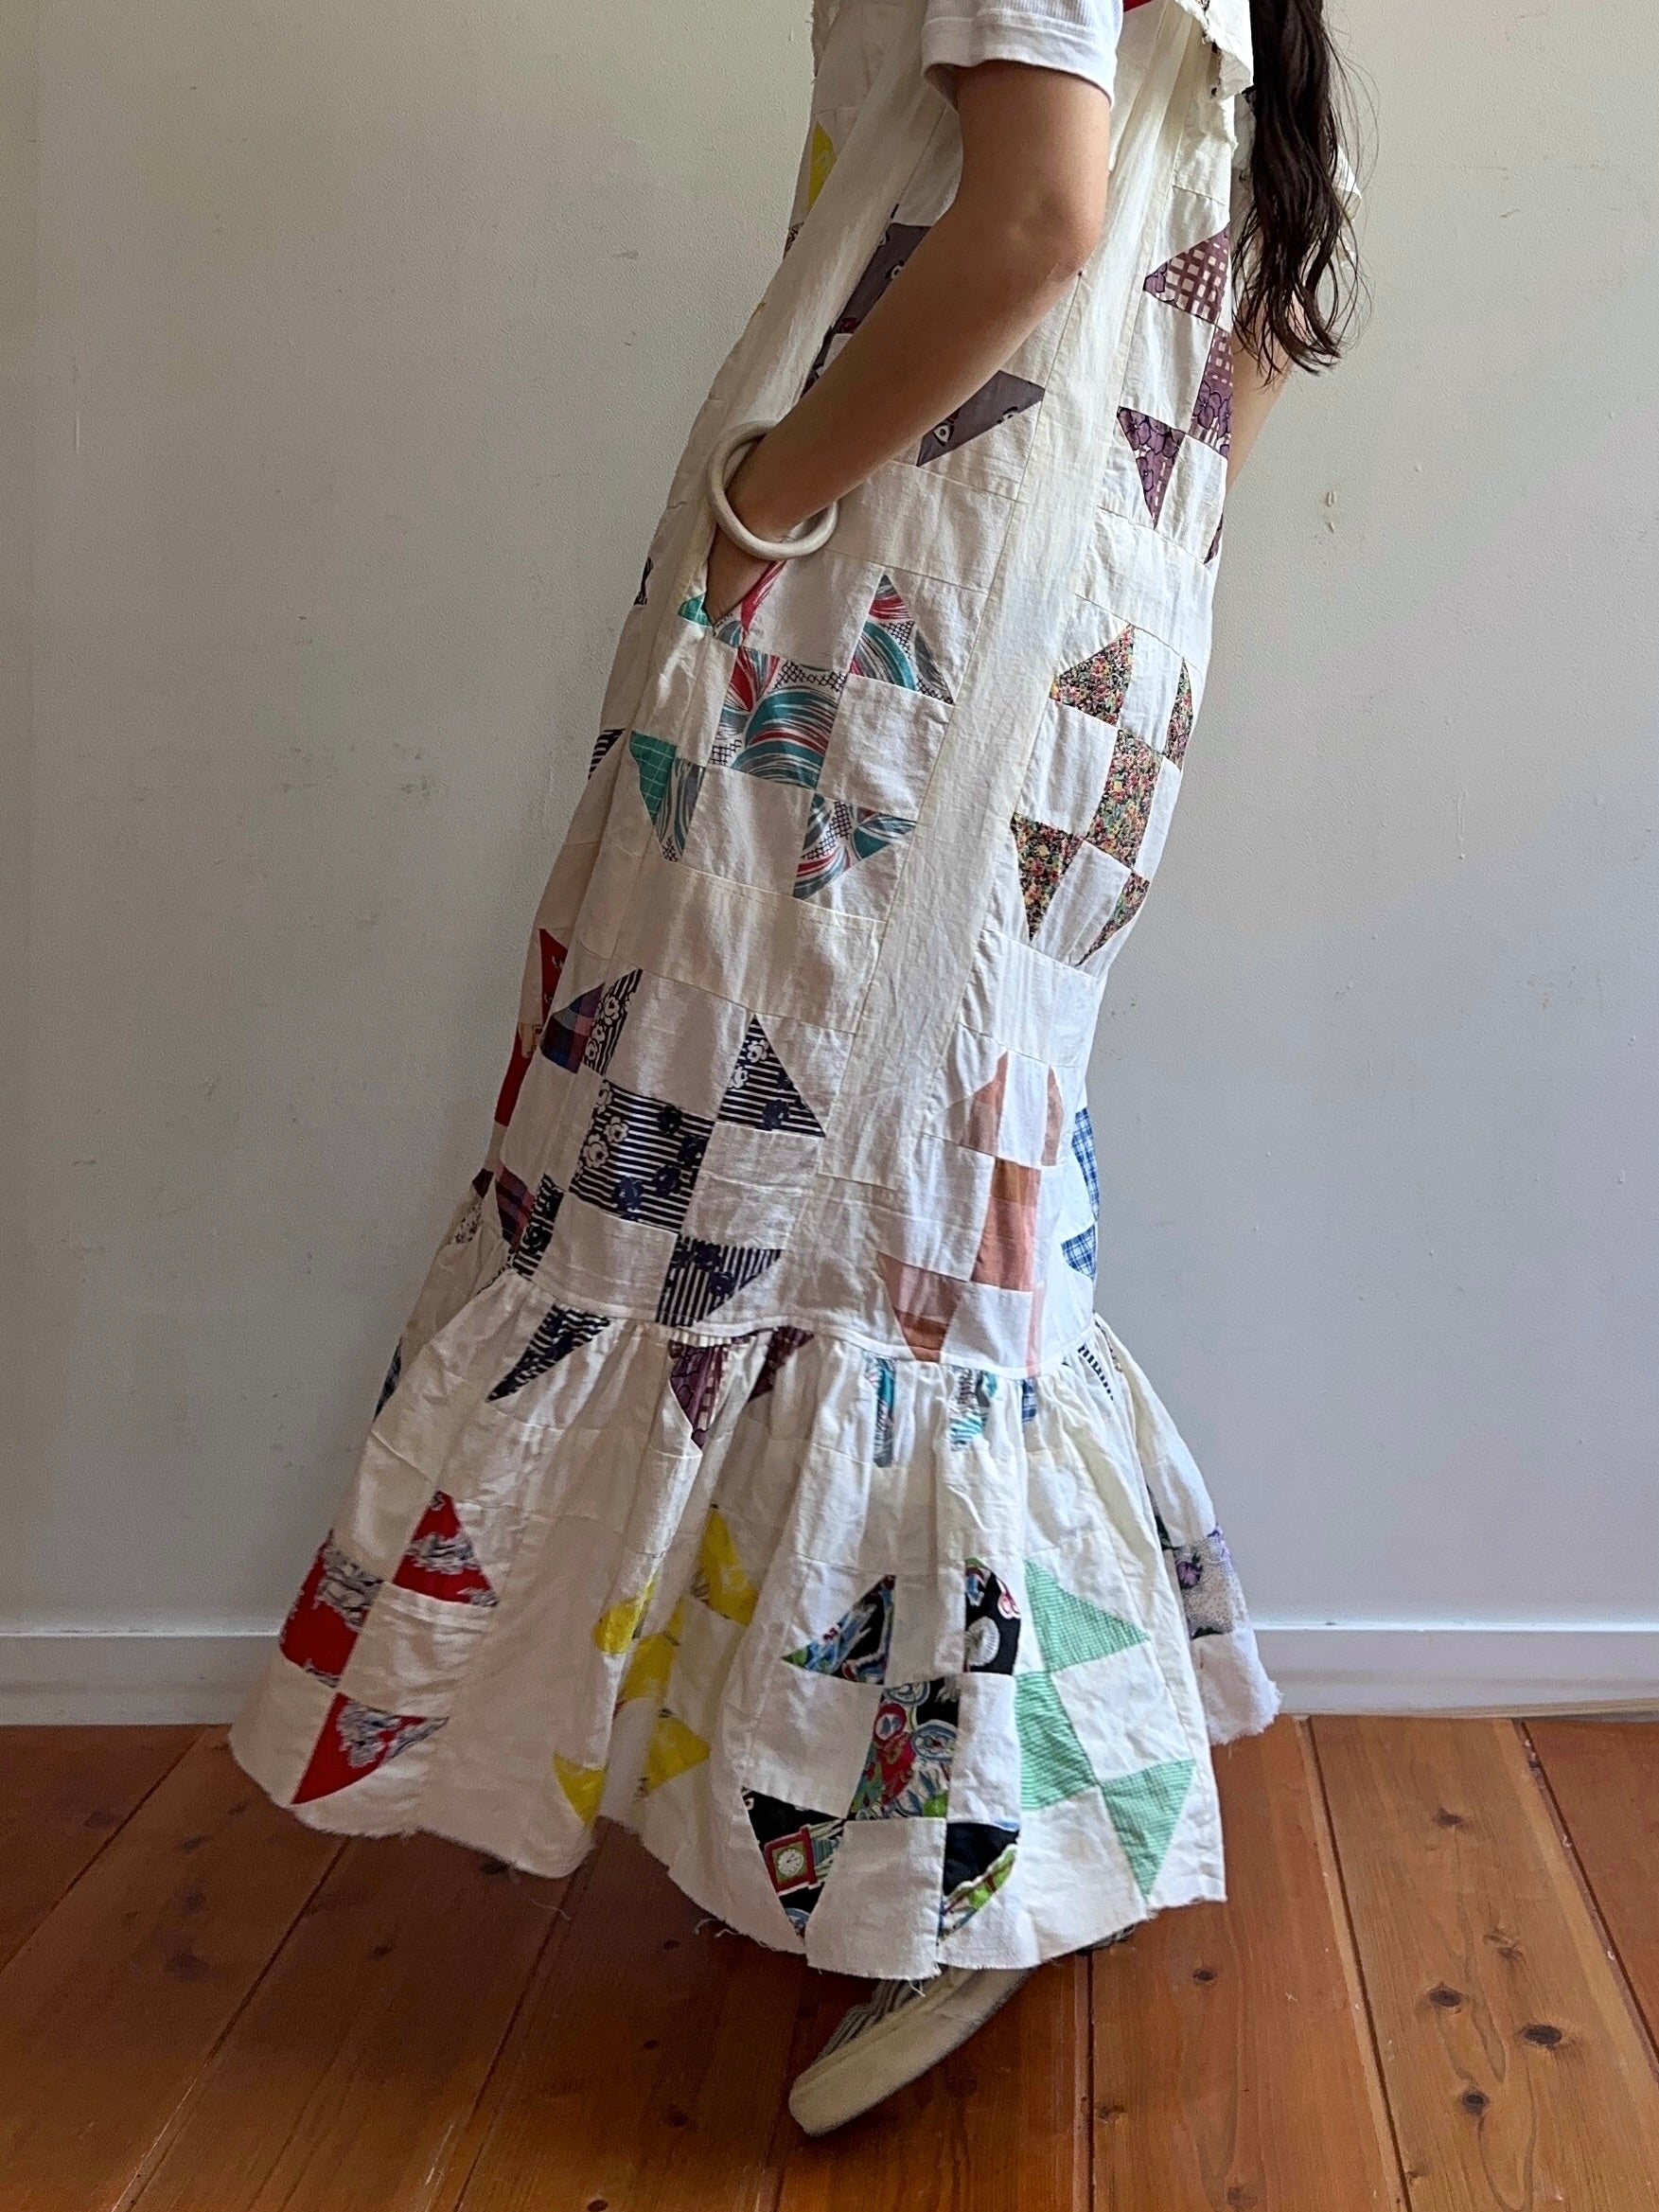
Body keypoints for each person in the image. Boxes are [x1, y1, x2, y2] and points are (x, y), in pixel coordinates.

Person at [231, 0, 1362, 2136]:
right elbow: (1258, 325)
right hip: (1091, 649)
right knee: (930, 1199)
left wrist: (762, 498)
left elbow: (1034, 219)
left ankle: (948, 1861)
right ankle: (880, 1816)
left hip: (897, 620)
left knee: (780, 1184)